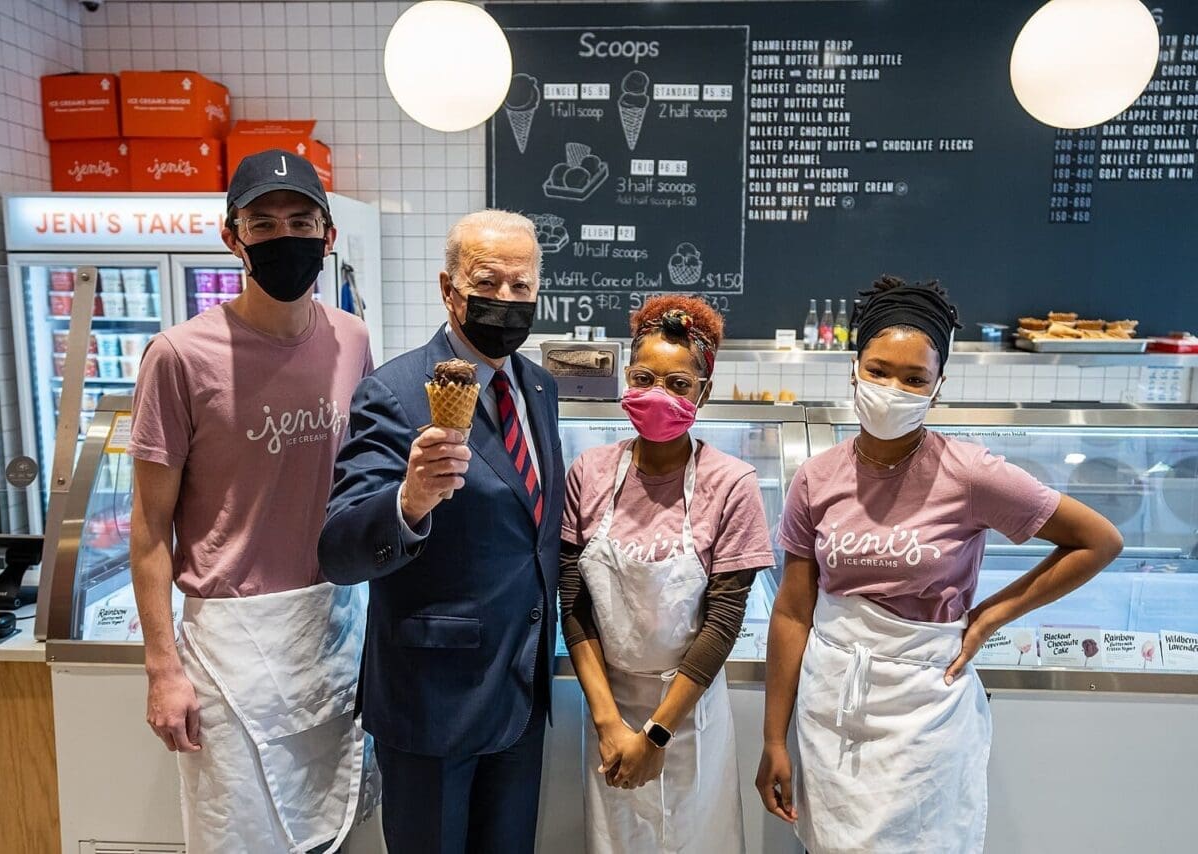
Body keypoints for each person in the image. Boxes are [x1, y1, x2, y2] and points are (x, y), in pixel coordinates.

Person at [755, 276, 1124, 853]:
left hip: (924, 714)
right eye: (878, 370)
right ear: (853, 368)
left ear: (938, 385)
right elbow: (793, 612)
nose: (892, 388)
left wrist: (994, 614)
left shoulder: (970, 473)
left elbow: (1097, 541)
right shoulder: (815, 477)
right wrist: (773, 736)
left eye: (913, 378)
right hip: (832, 710)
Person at [128, 150, 376, 854]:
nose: (282, 237)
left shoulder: (350, 340)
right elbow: (149, 530)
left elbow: (361, 480)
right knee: (239, 835)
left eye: (300, 220)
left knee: (335, 829)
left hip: (328, 630)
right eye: (262, 223)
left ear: (328, 235)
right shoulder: (179, 356)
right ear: (231, 236)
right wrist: (162, 670)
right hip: (228, 645)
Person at [318, 210, 562, 854]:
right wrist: (410, 500)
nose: (506, 300)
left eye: (522, 285)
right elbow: (339, 547)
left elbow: (531, 529)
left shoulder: (538, 386)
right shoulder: (393, 393)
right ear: (448, 289)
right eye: (488, 281)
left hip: (521, 690)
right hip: (433, 704)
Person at [561, 296, 772, 854]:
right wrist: (610, 725)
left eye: (678, 384)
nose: (659, 394)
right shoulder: (589, 473)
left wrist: (656, 734)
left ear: (703, 391)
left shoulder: (731, 483)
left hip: (688, 713)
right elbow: (573, 604)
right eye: (644, 377)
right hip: (609, 706)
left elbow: (723, 622)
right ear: (625, 379)